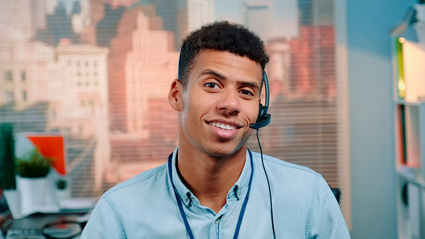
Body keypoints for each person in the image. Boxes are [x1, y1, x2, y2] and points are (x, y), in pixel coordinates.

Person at [81, 21, 350, 238]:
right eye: (212, 85)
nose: (230, 104)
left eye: (246, 91)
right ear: (177, 95)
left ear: (260, 110)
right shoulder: (118, 214)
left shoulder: (309, 197)